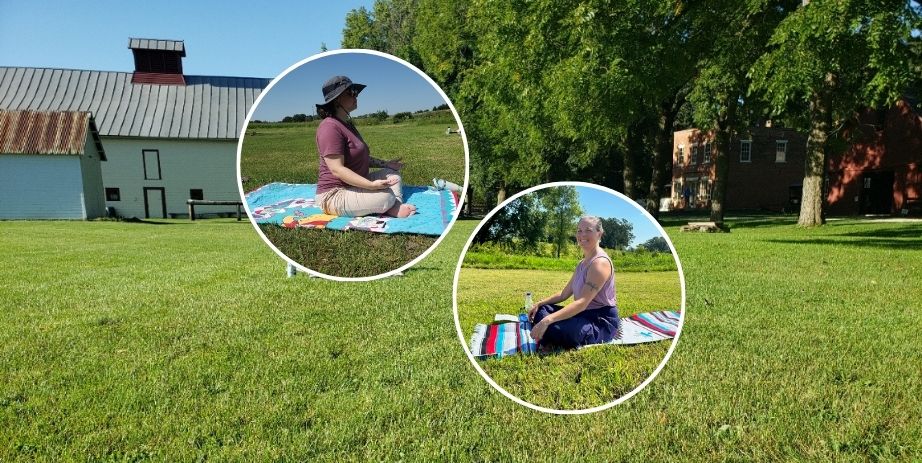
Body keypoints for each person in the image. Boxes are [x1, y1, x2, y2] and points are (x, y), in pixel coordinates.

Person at [313, 75, 417, 218]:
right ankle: (389, 204)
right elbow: (337, 169)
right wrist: (371, 186)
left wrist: (386, 163)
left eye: (356, 92)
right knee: (385, 196)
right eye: (351, 93)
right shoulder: (329, 127)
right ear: (337, 99)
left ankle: (393, 205)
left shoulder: (347, 124)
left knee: (393, 175)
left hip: (355, 185)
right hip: (334, 194)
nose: (356, 96)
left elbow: (361, 157)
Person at [528, 216, 620, 349]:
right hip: (581, 315)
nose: (582, 235)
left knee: (555, 326)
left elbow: (582, 303)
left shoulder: (600, 263)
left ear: (599, 233)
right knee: (541, 310)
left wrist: (547, 320)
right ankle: (549, 333)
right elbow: (563, 294)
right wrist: (539, 303)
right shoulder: (582, 263)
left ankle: (550, 333)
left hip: (599, 321)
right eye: (579, 230)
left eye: (588, 230)